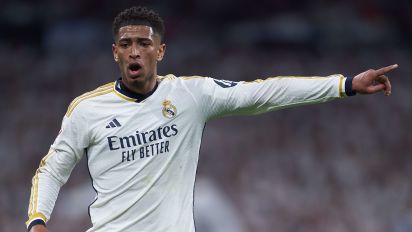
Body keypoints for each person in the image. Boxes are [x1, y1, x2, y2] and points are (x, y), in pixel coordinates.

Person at [26, 5, 398, 232]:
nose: (134, 52)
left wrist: (345, 84)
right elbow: (52, 169)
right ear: (114, 52)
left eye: (143, 44)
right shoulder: (87, 108)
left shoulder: (191, 95)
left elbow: (264, 93)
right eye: (125, 44)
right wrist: (38, 221)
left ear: (161, 51)